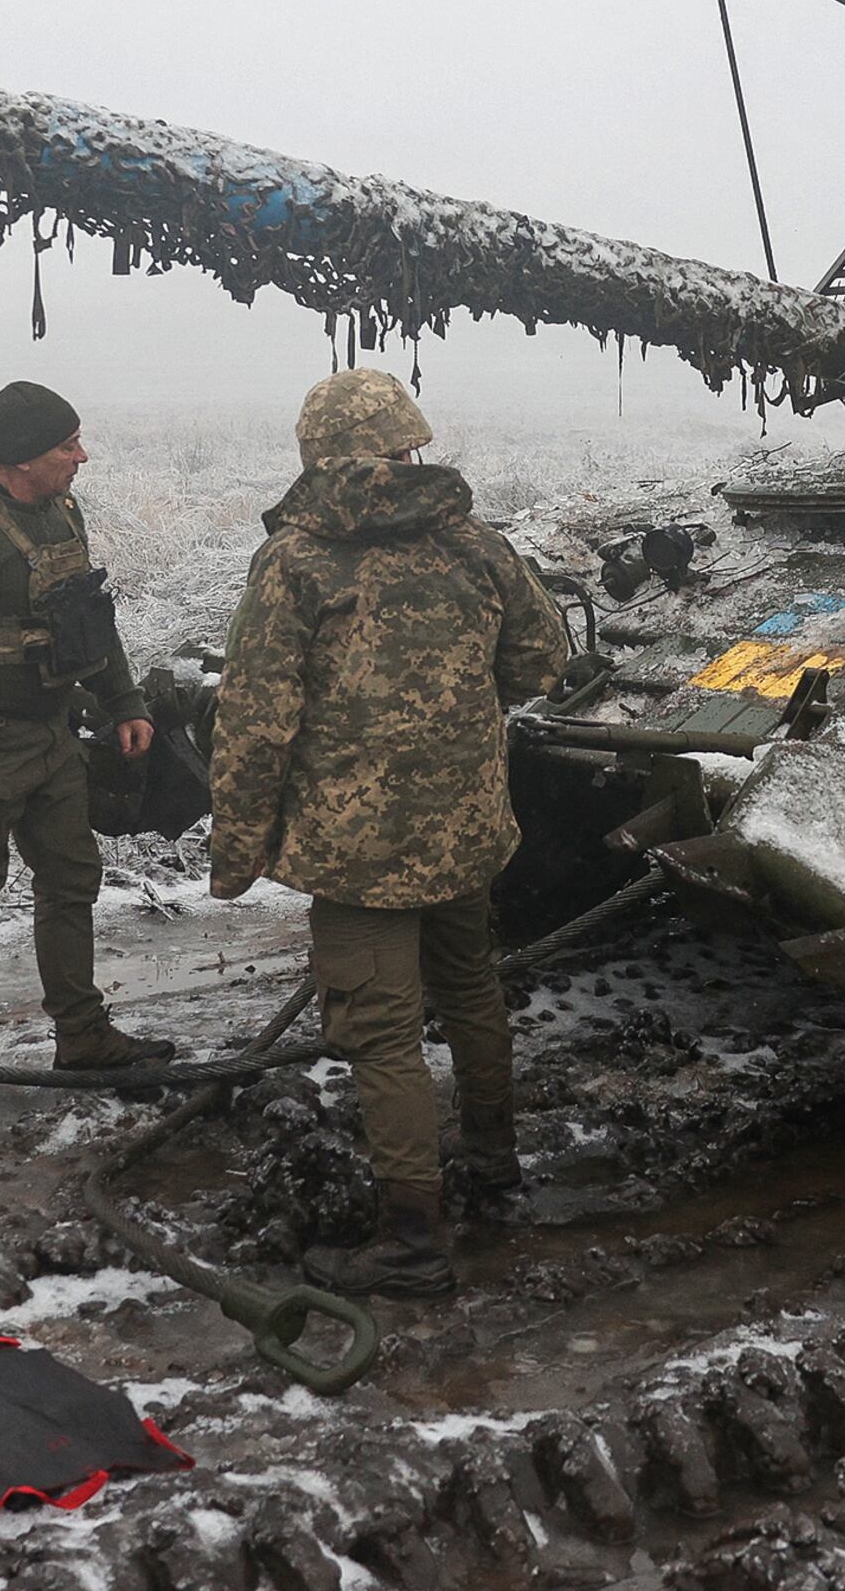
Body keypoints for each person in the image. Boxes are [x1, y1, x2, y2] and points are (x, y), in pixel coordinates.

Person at [206, 370, 573, 1298]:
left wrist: (235, 851)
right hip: (464, 829)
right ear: (412, 444)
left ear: (315, 454)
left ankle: (412, 1242)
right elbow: (542, 660)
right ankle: (494, 1172)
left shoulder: (296, 560)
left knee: (382, 1036)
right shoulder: (475, 542)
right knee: (472, 992)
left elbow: (256, 721)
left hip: (357, 856)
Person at [0, 380, 173, 1148]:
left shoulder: (62, 513)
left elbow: (88, 619)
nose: (81, 456)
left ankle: (82, 1036)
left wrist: (125, 702)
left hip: (51, 741)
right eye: (65, 446)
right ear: (21, 459)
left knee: (72, 883)